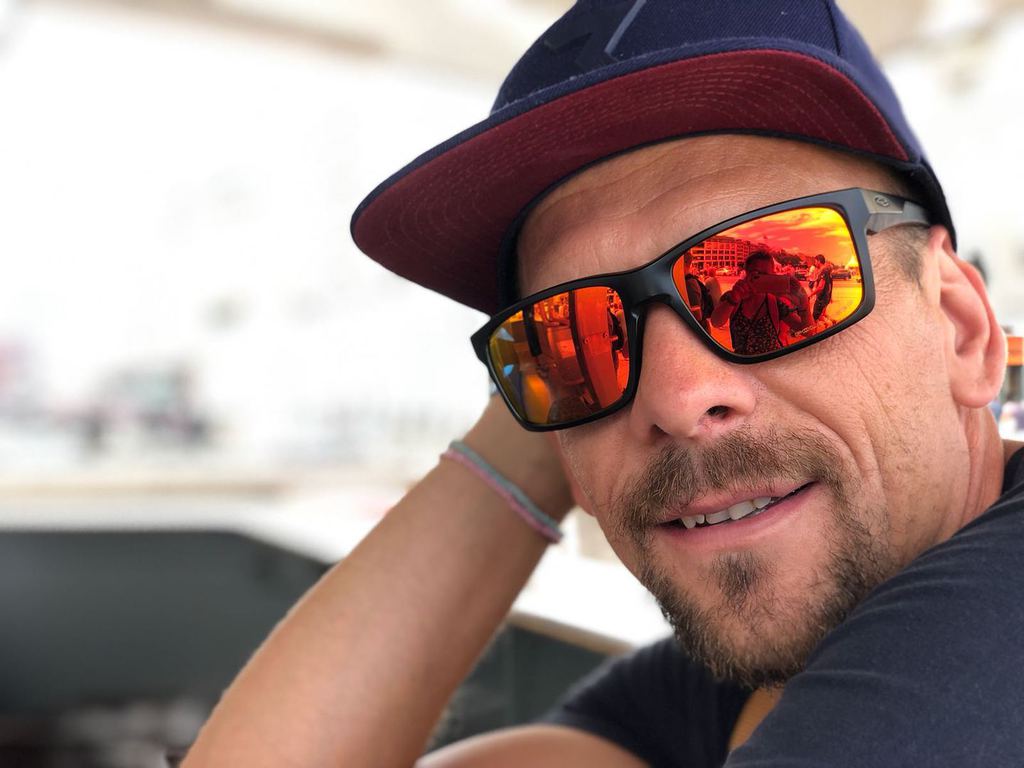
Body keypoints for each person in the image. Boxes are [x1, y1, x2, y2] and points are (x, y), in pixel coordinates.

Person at [182, 2, 1024, 767]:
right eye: (570, 340)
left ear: (962, 328)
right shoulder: (744, 682)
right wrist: (552, 407)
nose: (677, 398)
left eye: (768, 285)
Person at [709, 250, 810, 354]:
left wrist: (804, 304)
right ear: (746, 272)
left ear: (772, 275)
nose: (761, 278)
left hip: (771, 361)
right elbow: (716, 322)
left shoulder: (775, 302)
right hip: (741, 361)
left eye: (766, 275)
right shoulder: (732, 297)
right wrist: (733, 299)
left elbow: (808, 331)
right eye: (756, 273)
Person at [808, 253, 836, 328]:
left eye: (815, 261)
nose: (815, 263)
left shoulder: (823, 271)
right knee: (820, 316)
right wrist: (830, 297)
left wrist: (810, 295)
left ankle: (829, 325)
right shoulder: (827, 271)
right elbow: (830, 285)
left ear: (819, 261)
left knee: (814, 318)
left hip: (821, 299)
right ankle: (830, 323)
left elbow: (821, 287)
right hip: (825, 298)